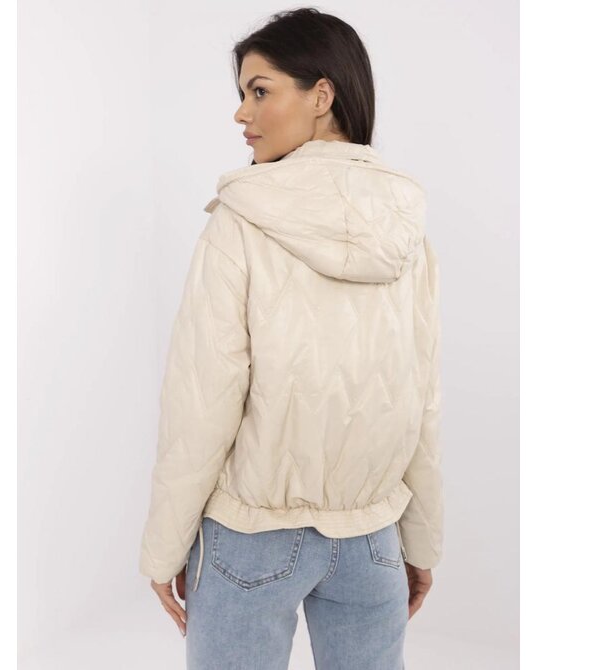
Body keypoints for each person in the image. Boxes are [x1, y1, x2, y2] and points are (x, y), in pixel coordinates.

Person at [139, 7, 443, 669]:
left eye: (259, 91)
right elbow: (420, 396)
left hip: (250, 538)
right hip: (372, 539)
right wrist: (421, 543)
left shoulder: (240, 222)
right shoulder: (406, 229)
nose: (241, 114)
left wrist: (163, 549)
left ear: (322, 95)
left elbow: (202, 401)